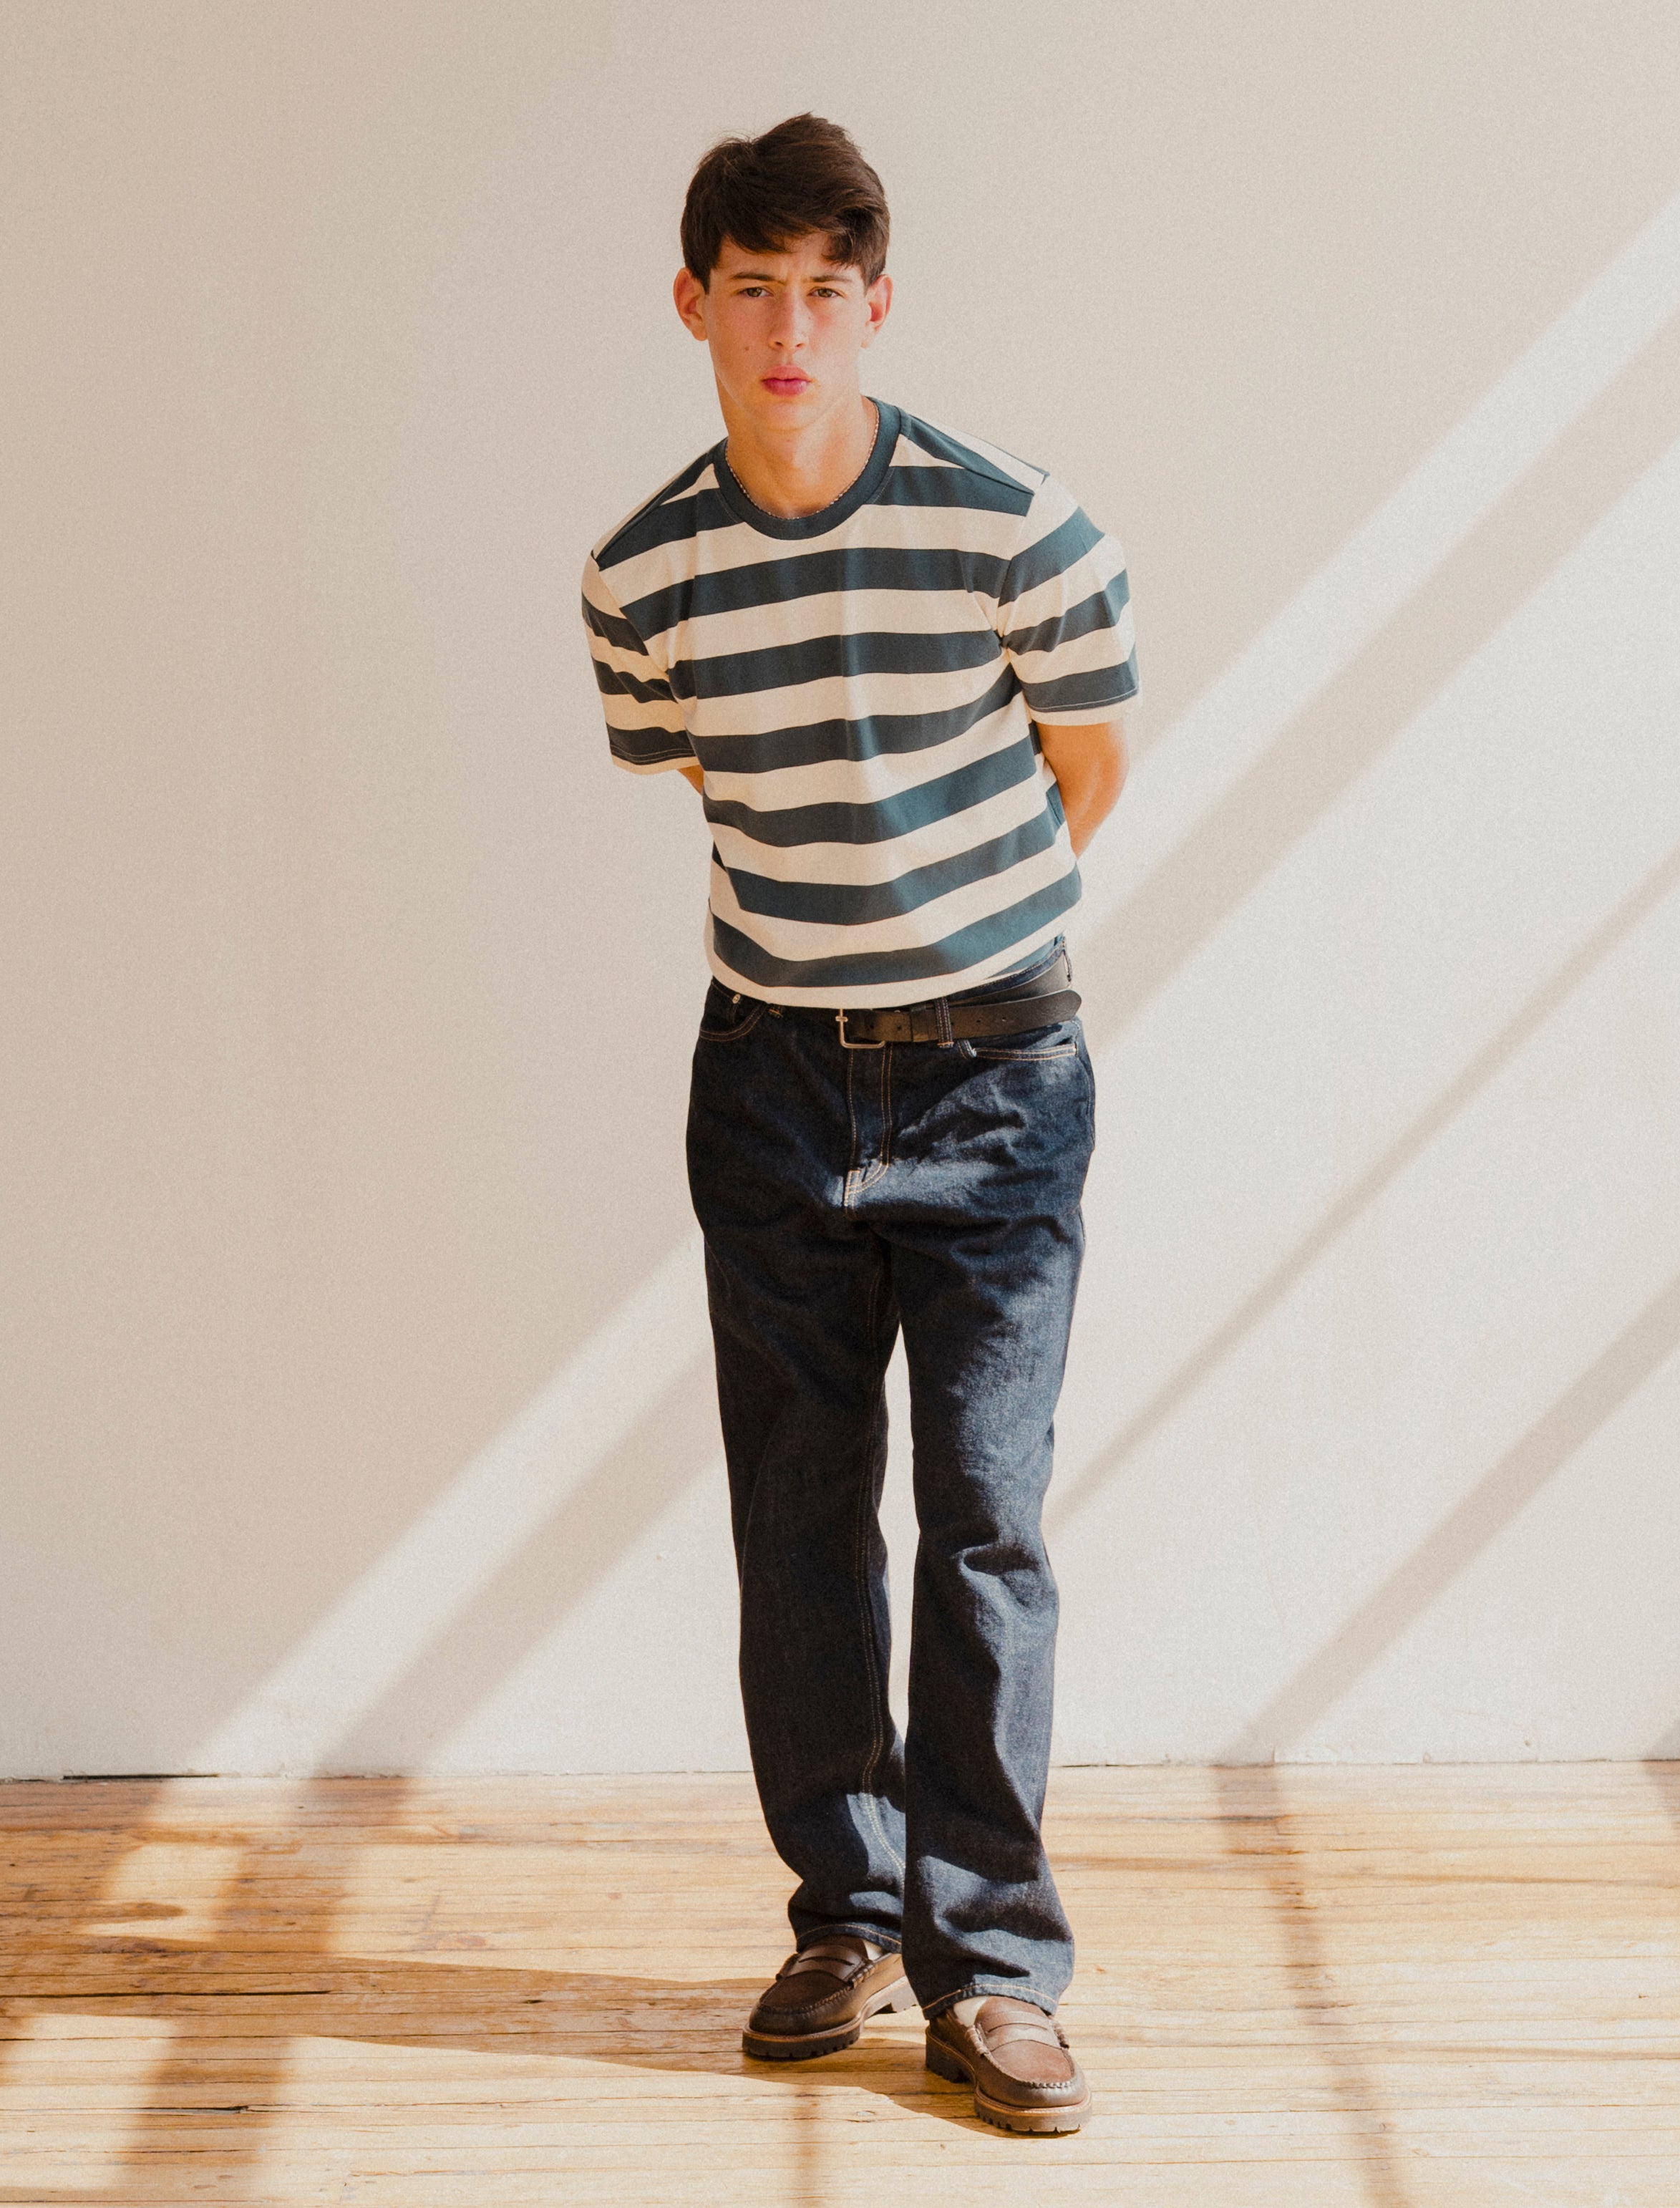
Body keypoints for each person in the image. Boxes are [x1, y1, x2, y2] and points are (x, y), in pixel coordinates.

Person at [581, 112, 1135, 2136]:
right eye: (752, 288)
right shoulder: (641, 572)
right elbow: (697, 773)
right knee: (798, 1516)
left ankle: (993, 1968)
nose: (788, 325)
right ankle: (845, 1909)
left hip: (998, 1075)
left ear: (875, 303)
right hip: (770, 1082)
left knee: (983, 1523)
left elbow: (1086, 770)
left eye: (826, 289)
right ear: (694, 305)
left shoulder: (1017, 526)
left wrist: (943, 954)